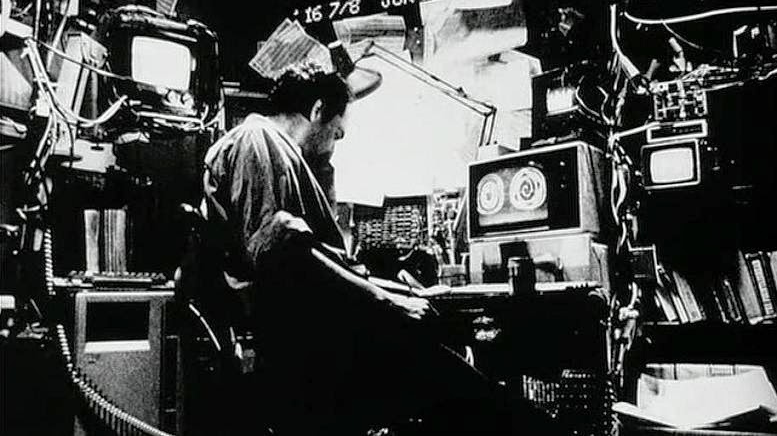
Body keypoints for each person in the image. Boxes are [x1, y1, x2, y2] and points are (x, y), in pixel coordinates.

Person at [200, 62, 559, 436]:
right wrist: (389, 302)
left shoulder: (284, 156)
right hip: (306, 351)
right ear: (318, 110)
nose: (334, 146)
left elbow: (321, 258)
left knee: (463, 374)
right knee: (480, 400)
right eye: (336, 134)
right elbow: (281, 252)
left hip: (324, 336)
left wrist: (405, 294)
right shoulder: (257, 138)